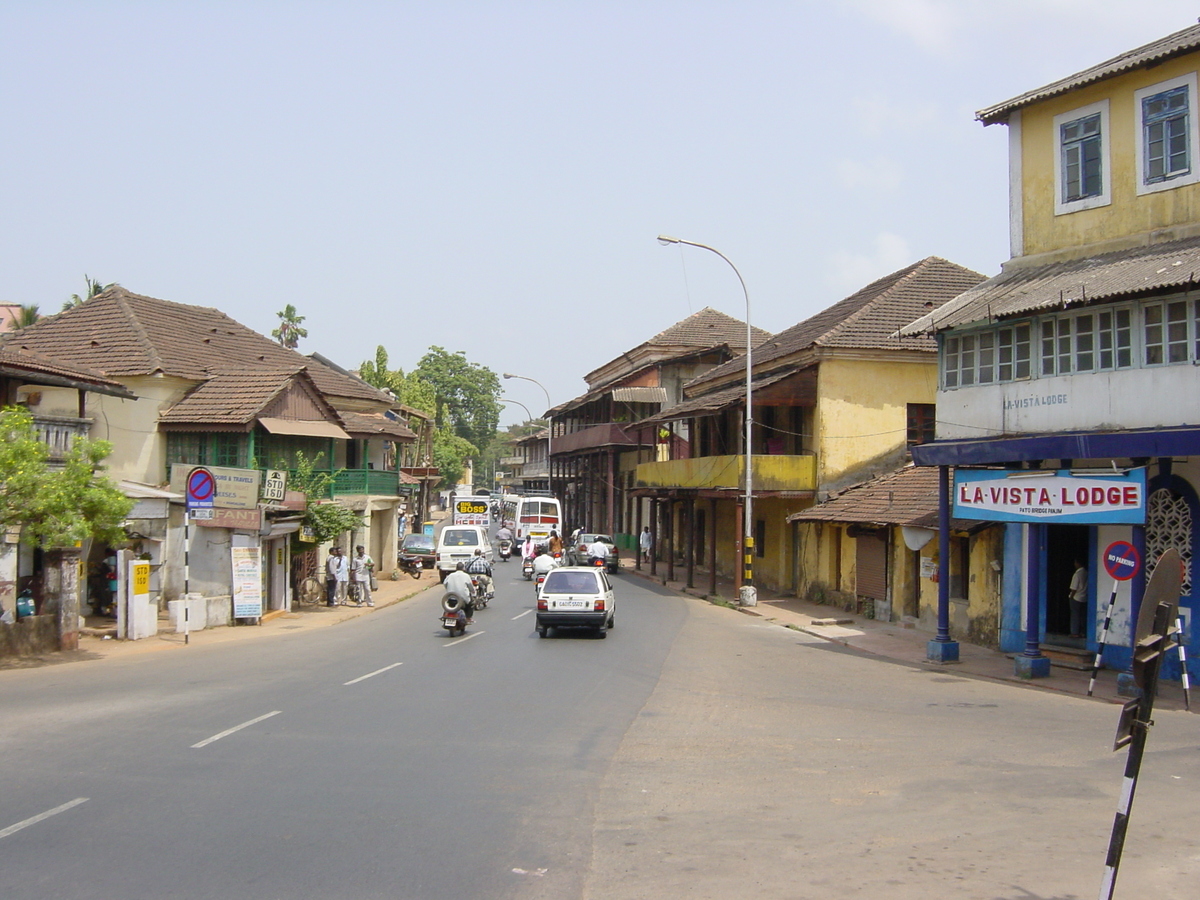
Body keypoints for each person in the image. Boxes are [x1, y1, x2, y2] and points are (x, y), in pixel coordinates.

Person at [1068, 557, 1088, 638]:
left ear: (1078, 563)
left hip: (1076, 598)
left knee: (1075, 615)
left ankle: (1075, 632)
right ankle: (1083, 632)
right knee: (1082, 616)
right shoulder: (1086, 573)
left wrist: (1071, 597)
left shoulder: (1077, 574)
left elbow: (1074, 588)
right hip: (1084, 597)